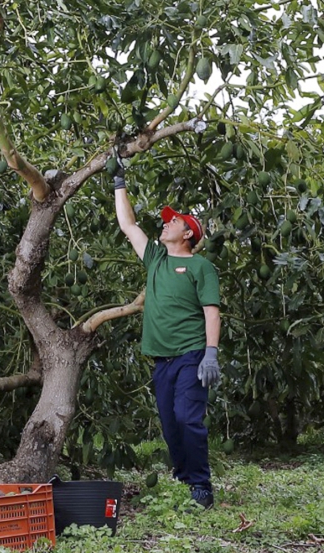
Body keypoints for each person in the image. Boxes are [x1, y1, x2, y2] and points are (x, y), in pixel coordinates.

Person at [110, 161, 221, 509]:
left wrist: (211, 353)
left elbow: (211, 311)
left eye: (174, 221)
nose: (166, 222)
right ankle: (185, 479)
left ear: (188, 233)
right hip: (163, 360)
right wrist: (119, 181)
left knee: (189, 417)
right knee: (171, 424)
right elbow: (128, 224)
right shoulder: (155, 259)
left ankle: (201, 487)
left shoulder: (201, 267)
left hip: (191, 354)